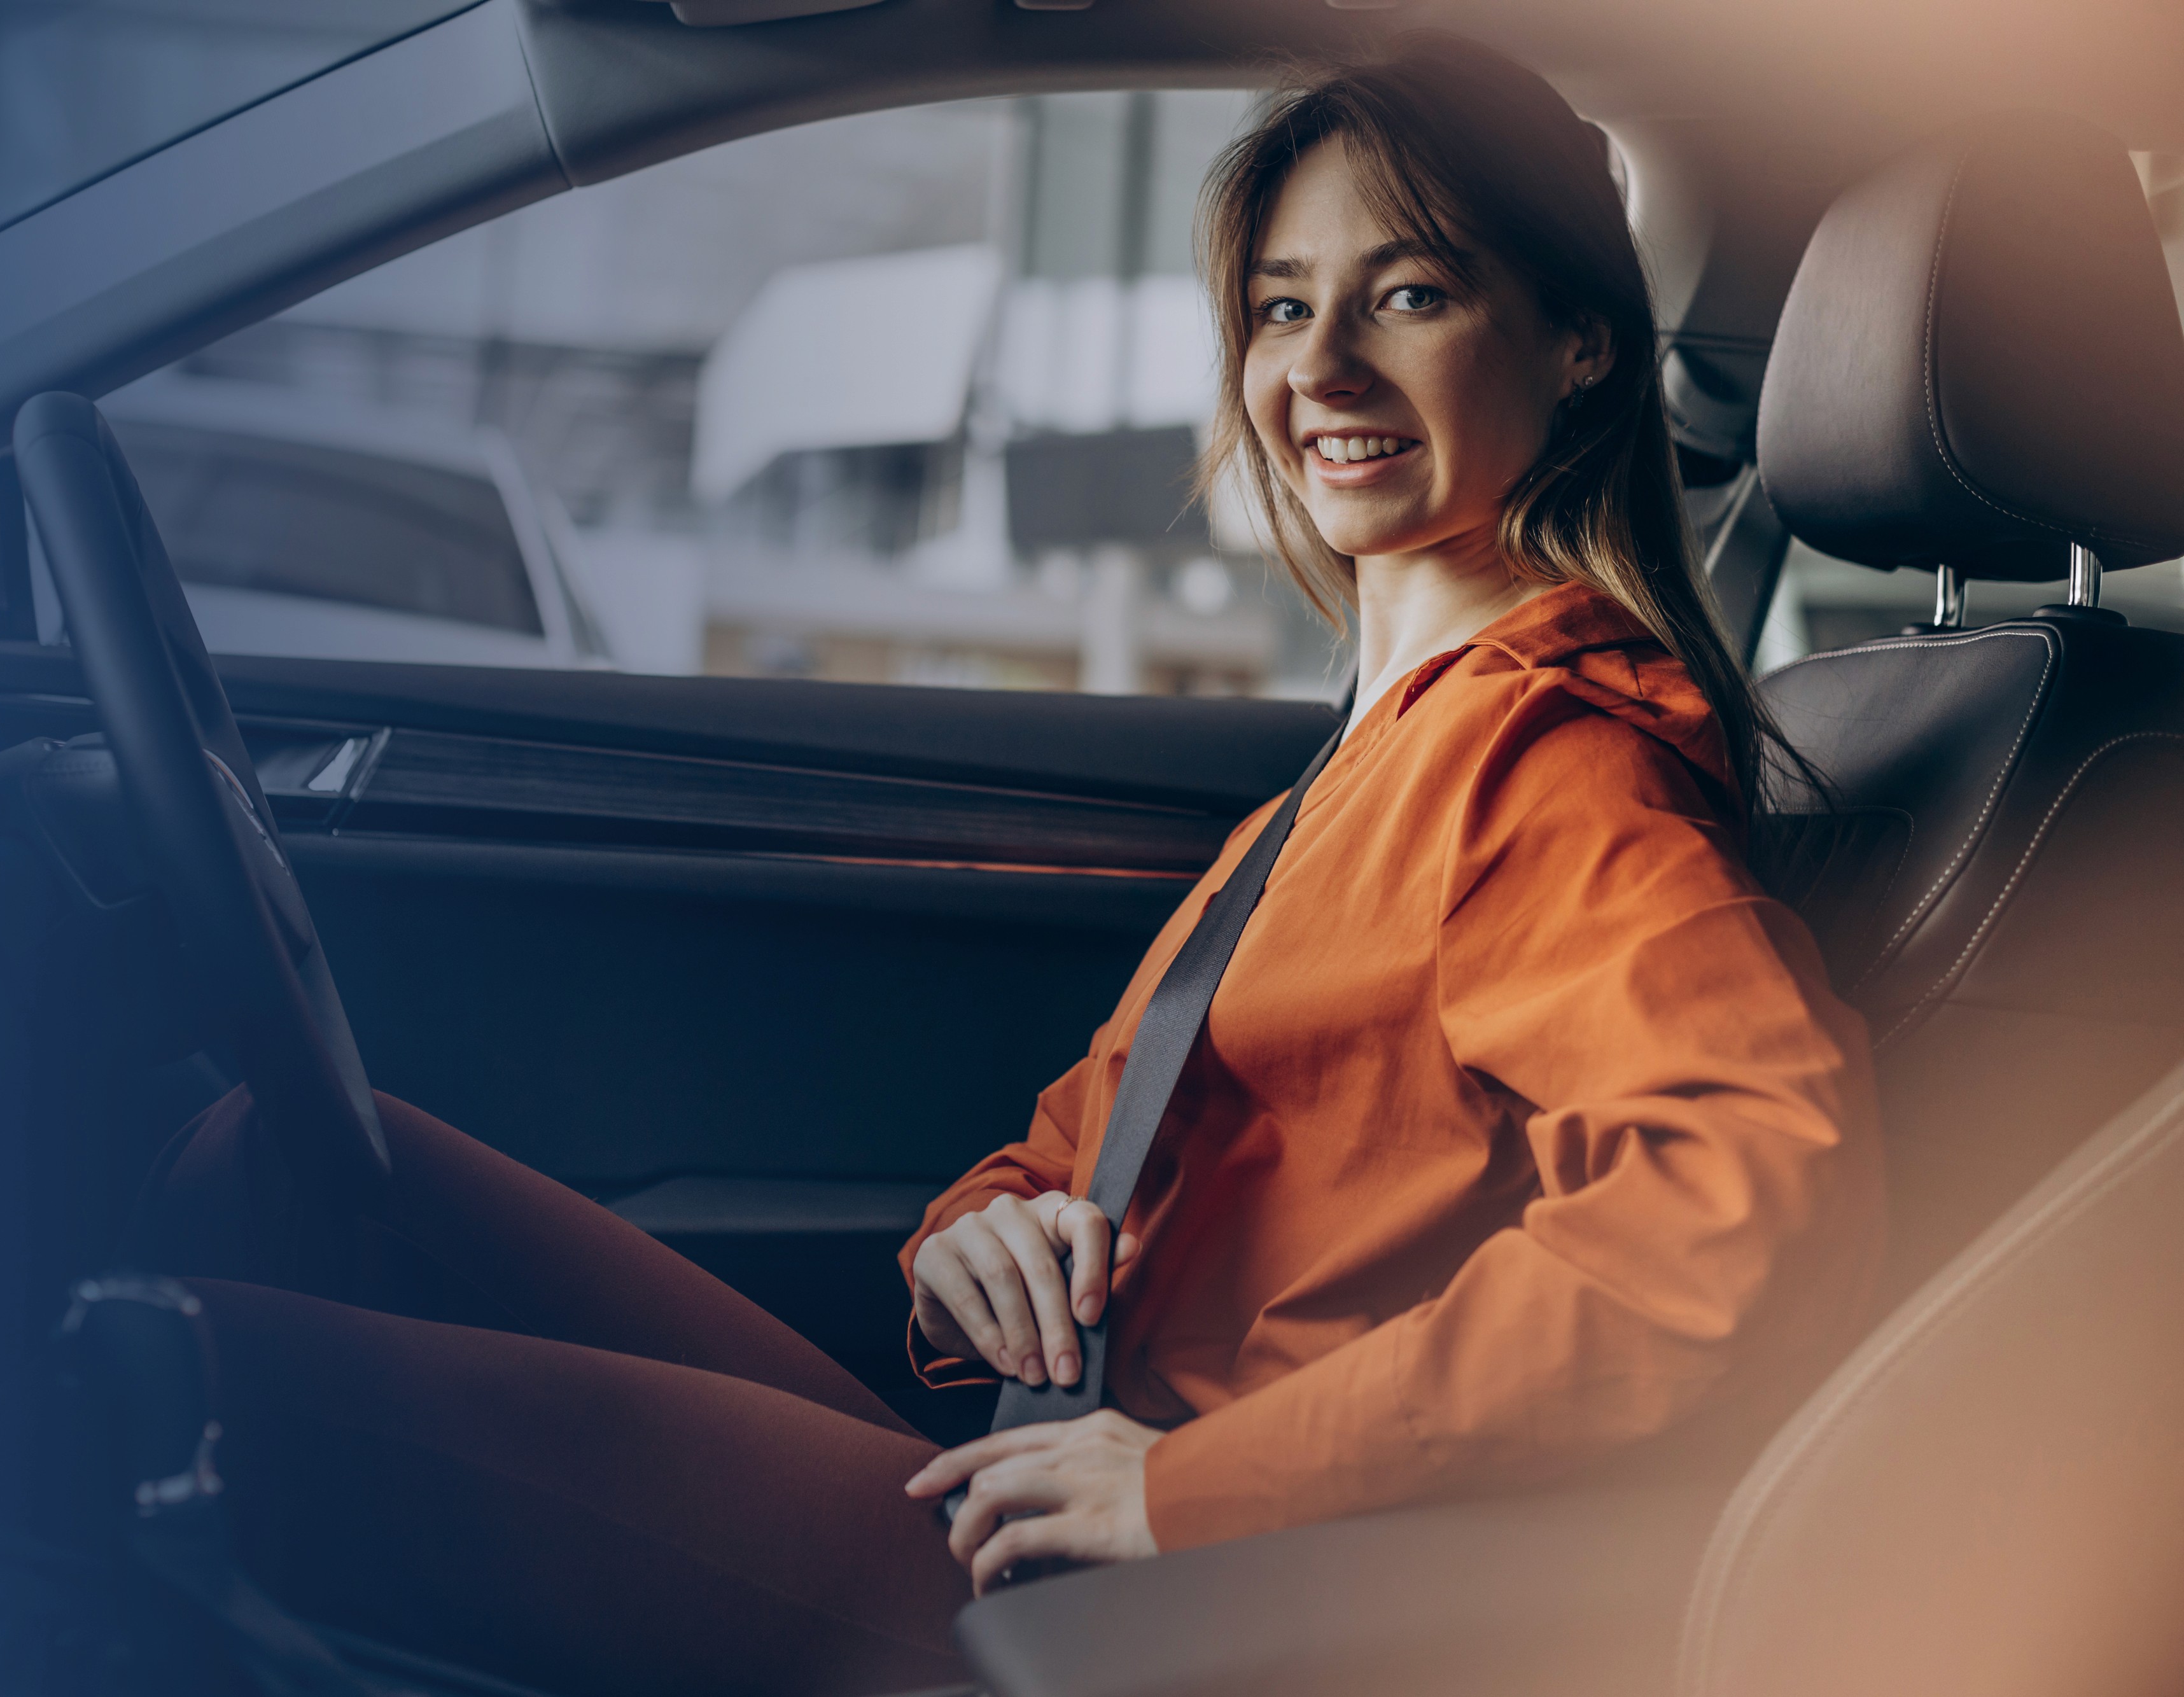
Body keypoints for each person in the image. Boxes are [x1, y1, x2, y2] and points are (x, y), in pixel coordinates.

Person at [141, 32, 1882, 1697]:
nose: (1322, 367)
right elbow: (1089, 1130)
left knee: (155, 1380)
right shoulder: (1390, 738)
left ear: (1578, 339)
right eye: (1284, 307)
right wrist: (979, 1239)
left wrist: (1189, 1492)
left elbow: (1738, 1204)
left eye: (1409, 294)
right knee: (295, 1155)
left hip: (1140, 1588)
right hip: (1047, 1448)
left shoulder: (1546, 761)